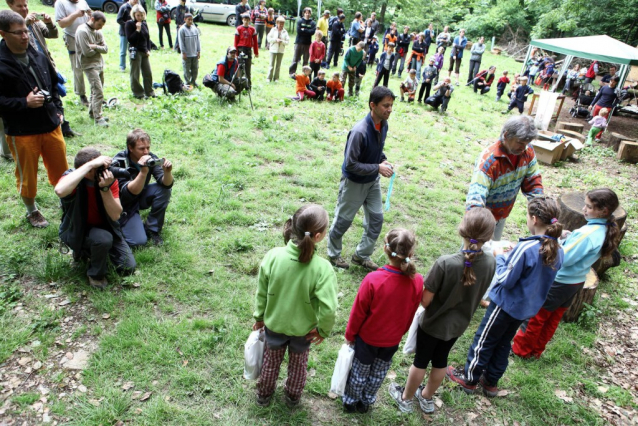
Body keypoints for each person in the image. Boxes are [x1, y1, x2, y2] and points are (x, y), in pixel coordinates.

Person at [447, 197, 564, 397]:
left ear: (534, 219)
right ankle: (491, 381)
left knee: (484, 340)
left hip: (504, 305)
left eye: (527, 216)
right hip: (525, 309)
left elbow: (505, 278)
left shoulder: (527, 248)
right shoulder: (558, 250)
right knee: (503, 343)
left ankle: (469, 378)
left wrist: (500, 257)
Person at [389, 208, 496, 414]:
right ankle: (427, 397)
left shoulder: (445, 263)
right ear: (489, 236)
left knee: (420, 362)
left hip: (432, 324)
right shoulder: (491, 262)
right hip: (457, 326)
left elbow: (426, 301)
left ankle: (406, 399)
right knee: (441, 361)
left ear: (461, 230)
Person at [512, 189, 620, 360]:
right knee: (552, 318)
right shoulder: (604, 229)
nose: (584, 209)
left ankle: (521, 350)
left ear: (604, 211)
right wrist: (570, 238)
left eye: (589, 207)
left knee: (536, 316)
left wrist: (558, 242)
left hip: (559, 281)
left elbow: (564, 257)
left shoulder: (586, 235)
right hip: (575, 282)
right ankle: (536, 350)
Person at [253, 204, 338, 408]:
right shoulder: (323, 269)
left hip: (274, 325)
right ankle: (292, 397)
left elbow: (261, 291)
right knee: (299, 366)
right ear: (318, 236)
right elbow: (329, 308)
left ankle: (264, 394)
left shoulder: (273, 256)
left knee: (270, 363)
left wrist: (259, 317)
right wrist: (323, 331)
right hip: (304, 331)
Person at [343, 228, 424, 414]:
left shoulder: (373, 279)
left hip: (367, 339)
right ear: (411, 253)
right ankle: (366, 402)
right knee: (378, 373)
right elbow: (411, 312)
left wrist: (350, 335)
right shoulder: (418, 281)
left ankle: (351, 401)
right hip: (392, 341)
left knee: (359, 372)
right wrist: (399, 332)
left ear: (385, 248)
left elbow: (358, 313)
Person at [0, 10, 68, 228]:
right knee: (27, 175)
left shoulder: (37, 54)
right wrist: (24, 103)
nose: (25, 36)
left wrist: (58, 109)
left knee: (61, 169)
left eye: (26, 31)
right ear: (3, 34)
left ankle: (65, 201)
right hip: (21, 130)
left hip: (50, 124)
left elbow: (53, 85)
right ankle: (32, 211)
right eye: (18, 33)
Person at [327, 86, 395, 271]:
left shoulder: (383, 124)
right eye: (385, 105)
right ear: (372, 105)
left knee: (376, 219)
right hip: (354, 183)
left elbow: (375, 150)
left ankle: (361, 255)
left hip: (372, 181)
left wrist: (383, 160)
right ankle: (333, 254)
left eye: (391, 105)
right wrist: (377, 167)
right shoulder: (359, 131)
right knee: (343, 220)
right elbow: (350, 164)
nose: (389, 109)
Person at [55, 148, 136, 289]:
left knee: (127, 267)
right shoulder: (73, 179)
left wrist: (105, 189)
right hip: (77, 230)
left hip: (107, 227)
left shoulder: (108, 180)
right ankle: (95, 274)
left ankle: (93, 251)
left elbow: (116, 215)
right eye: (99, 166)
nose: (105, 169)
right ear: (88, 170)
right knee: (102, 238)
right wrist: (90, 165)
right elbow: (60, 190)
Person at [5, 0, 80, 139]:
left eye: (26, 5)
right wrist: (25, 23)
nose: (24, 8)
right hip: (26, 70)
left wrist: (49, 22)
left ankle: (62, 125)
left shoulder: (34, 20)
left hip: (44, 65)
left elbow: (53, 34)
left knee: (54, 93)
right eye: (20, 6)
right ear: (10, 5)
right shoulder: (8, 23)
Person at [466, 115, 543, 244]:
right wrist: (481, 228)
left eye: (527, 143)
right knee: (472, 254)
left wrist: (542, 213)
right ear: (506, 135)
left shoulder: (527, 151)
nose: (524, 147)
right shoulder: (489, 161)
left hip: (502, 215)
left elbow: (533, 183)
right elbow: (475, 200)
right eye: (520, 142)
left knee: (490, 254)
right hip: (482, 218)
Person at [111, 129, 173, 247]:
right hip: (124, 205)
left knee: (163, 190)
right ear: (130, 148)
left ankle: (152, 229)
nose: (146, 152)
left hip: (140, 196)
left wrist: (167, 173)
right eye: (141, 149)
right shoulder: (119, 162)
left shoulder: (150, 157)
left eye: (148, 148)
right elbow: (127, 193)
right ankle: (124, 225)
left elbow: (166, 184)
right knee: (138, 242)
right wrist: (143, 172)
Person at [54, 0, 90, 107]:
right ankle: (82, 95)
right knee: (77, 67)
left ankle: (96, 94)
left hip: (86, 36)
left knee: (92, 64)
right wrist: (76, 14)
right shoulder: (60, 3)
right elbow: (61, 23)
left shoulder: (82, 1)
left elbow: (89, 14)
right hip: (72, 38)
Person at [75, 11, 108, 126]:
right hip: (88, 65)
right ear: (92, 19)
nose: (100, 28)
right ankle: (98, 118)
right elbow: (87, 52)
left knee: (95, 90)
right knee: (98, 91)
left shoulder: (98, 31)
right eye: (99, 24)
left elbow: (106, 49)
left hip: (99, 64)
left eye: (102, 26)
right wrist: (98, 47)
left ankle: (92, 113)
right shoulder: (82, 31)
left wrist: (94, 46)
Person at [125, 5, 154, 99]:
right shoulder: (129, 24)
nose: (140, 17)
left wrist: (148, 50)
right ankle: (138, 93)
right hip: (135, 51)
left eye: (142, 15)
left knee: (148, 73)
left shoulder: (144, 24)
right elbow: (130, 39)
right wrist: (137, 30)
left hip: (144, 51)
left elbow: (147, 38)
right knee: (135, 74)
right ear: (134, 15)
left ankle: (149, 92)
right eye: (138, 15)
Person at [588, 76, 620, 140]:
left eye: (614, 82)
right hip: (599, 105)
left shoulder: (617, 90)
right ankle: (591, 134)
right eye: (611, 81)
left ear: (616, 83)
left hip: (607, 108)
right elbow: (598, 96)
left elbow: (618, 99)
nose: (611, 83)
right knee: (595, 120)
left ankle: (598, 136)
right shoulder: (604, 87)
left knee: (602, 122)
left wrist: (612, 106)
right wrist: (592, 104)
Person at [288, 7, 315, 78]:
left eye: (309, 13)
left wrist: (304, 30)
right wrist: (306, 31)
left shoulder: (312, 23)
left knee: (306, 60)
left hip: (307, 44)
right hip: (299, 42)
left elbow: (312, 32)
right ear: (304, 13)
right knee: (295, 59)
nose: (307, 14)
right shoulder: (300, 21)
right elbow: (299, 31)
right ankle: (292, 73)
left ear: (310, 14)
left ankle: (304, 74)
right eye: (306, 13)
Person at [234, 13, 258, 87]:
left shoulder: (252, 29)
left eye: (247, 20)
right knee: (240, 68)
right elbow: (236, 41)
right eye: (245, 20)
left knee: (248, 68)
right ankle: (239, 85)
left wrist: (256, 52)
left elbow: (255, 42)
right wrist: (235, 52)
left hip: (248, 50)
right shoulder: (239, 29)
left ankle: (248, 85)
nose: (246, 22)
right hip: (241, 49)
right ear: (242, 20)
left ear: (249, 21)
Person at [178, 13, 200, 87]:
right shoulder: (182, 30)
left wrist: (198, 51)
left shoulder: (195, 29)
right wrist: (183, 52)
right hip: (187, 54)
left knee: (195, 69)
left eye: (191, 20)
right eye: (189, 20)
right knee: (186, 69)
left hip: (194, 53)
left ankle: (193, 81)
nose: (190, 21)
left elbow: (198, 40)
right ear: (185, 20)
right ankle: (187, 82)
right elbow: (181, 42)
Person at [116, 0, 137, 71]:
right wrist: (127, 25)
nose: (135, 1)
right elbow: (118, 19)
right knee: (123, 51)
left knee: (133, 50)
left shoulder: (137, 7)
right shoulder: (124, 7)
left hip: (133, 33)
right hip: (124, 33)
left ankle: (133, 65)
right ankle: (122, 66)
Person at [265, 16, 288, 82]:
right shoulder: (273, 30)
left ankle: (276, 78)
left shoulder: (285, 32)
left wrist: (282, 41)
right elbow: (268, 38)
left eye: (282, 24)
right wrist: (275, 40)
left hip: (281, 50)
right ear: (277, 23)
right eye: (280, 23)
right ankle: (269, 78)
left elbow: (287, 42)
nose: (281, 25)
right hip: (273, 49)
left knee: (278, 65)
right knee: (271, 64)